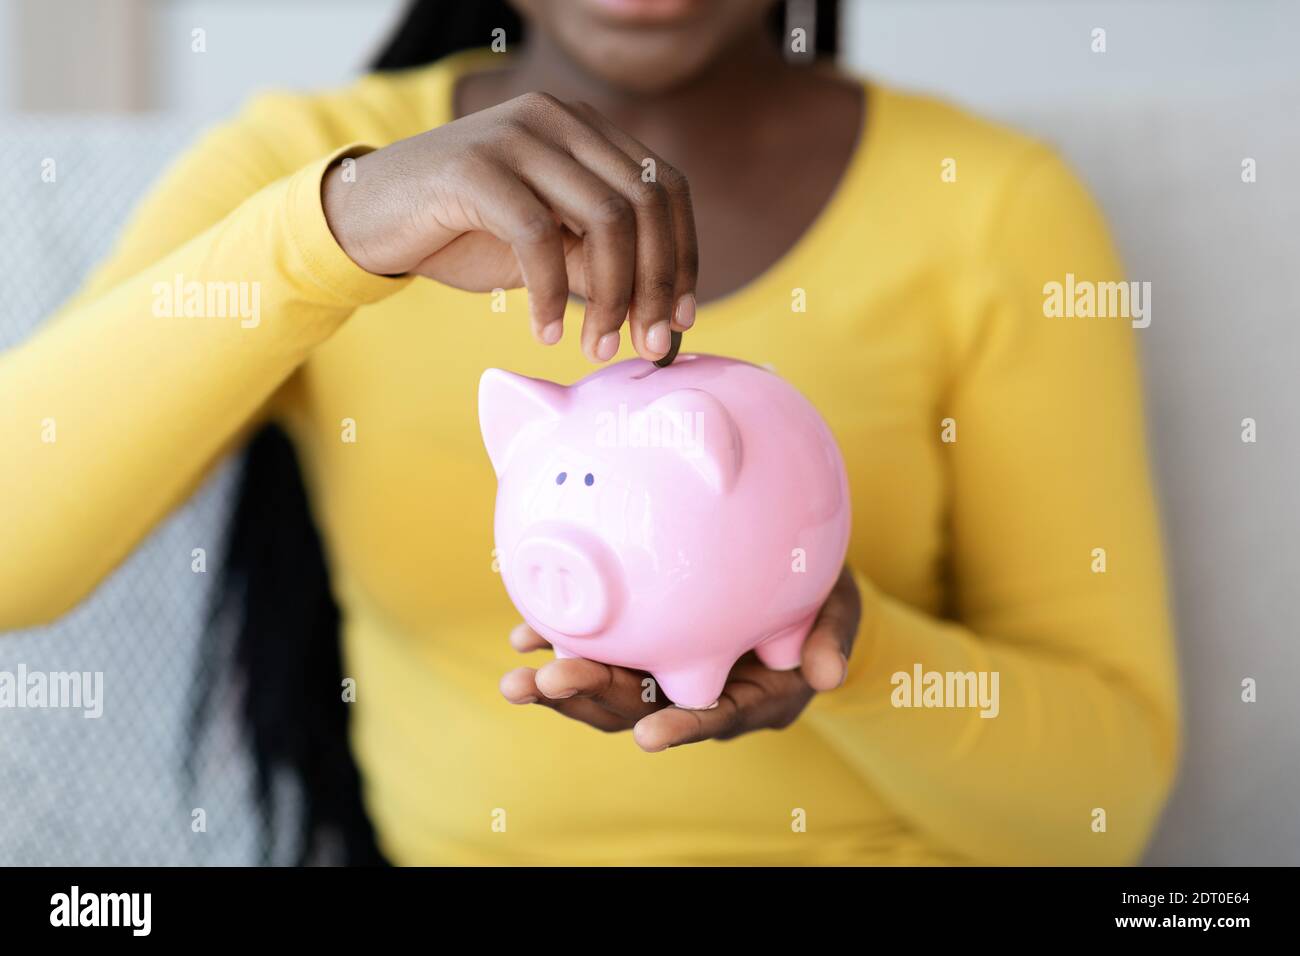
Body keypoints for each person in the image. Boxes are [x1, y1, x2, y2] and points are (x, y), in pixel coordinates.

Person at [0, 0, 1178, 865]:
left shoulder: (993, 208)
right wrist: (338, 235)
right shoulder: (307, 172)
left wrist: (844, 650)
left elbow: (1102, 806)